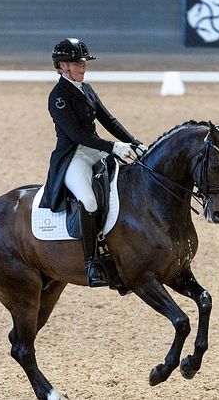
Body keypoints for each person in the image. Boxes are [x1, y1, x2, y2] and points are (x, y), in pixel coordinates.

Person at [39, 38, 147, 287]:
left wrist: (134, 142)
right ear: (63, 66)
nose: (83, 66)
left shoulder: (86, 89)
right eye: (78, 62)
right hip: (73, 156)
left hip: (95, 150)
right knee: (88, 201)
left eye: (83, 62)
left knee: (129, 178)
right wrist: (113, 147)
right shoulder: (58, 96)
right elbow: (77, 135)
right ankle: (92, 263)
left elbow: (109, 120)